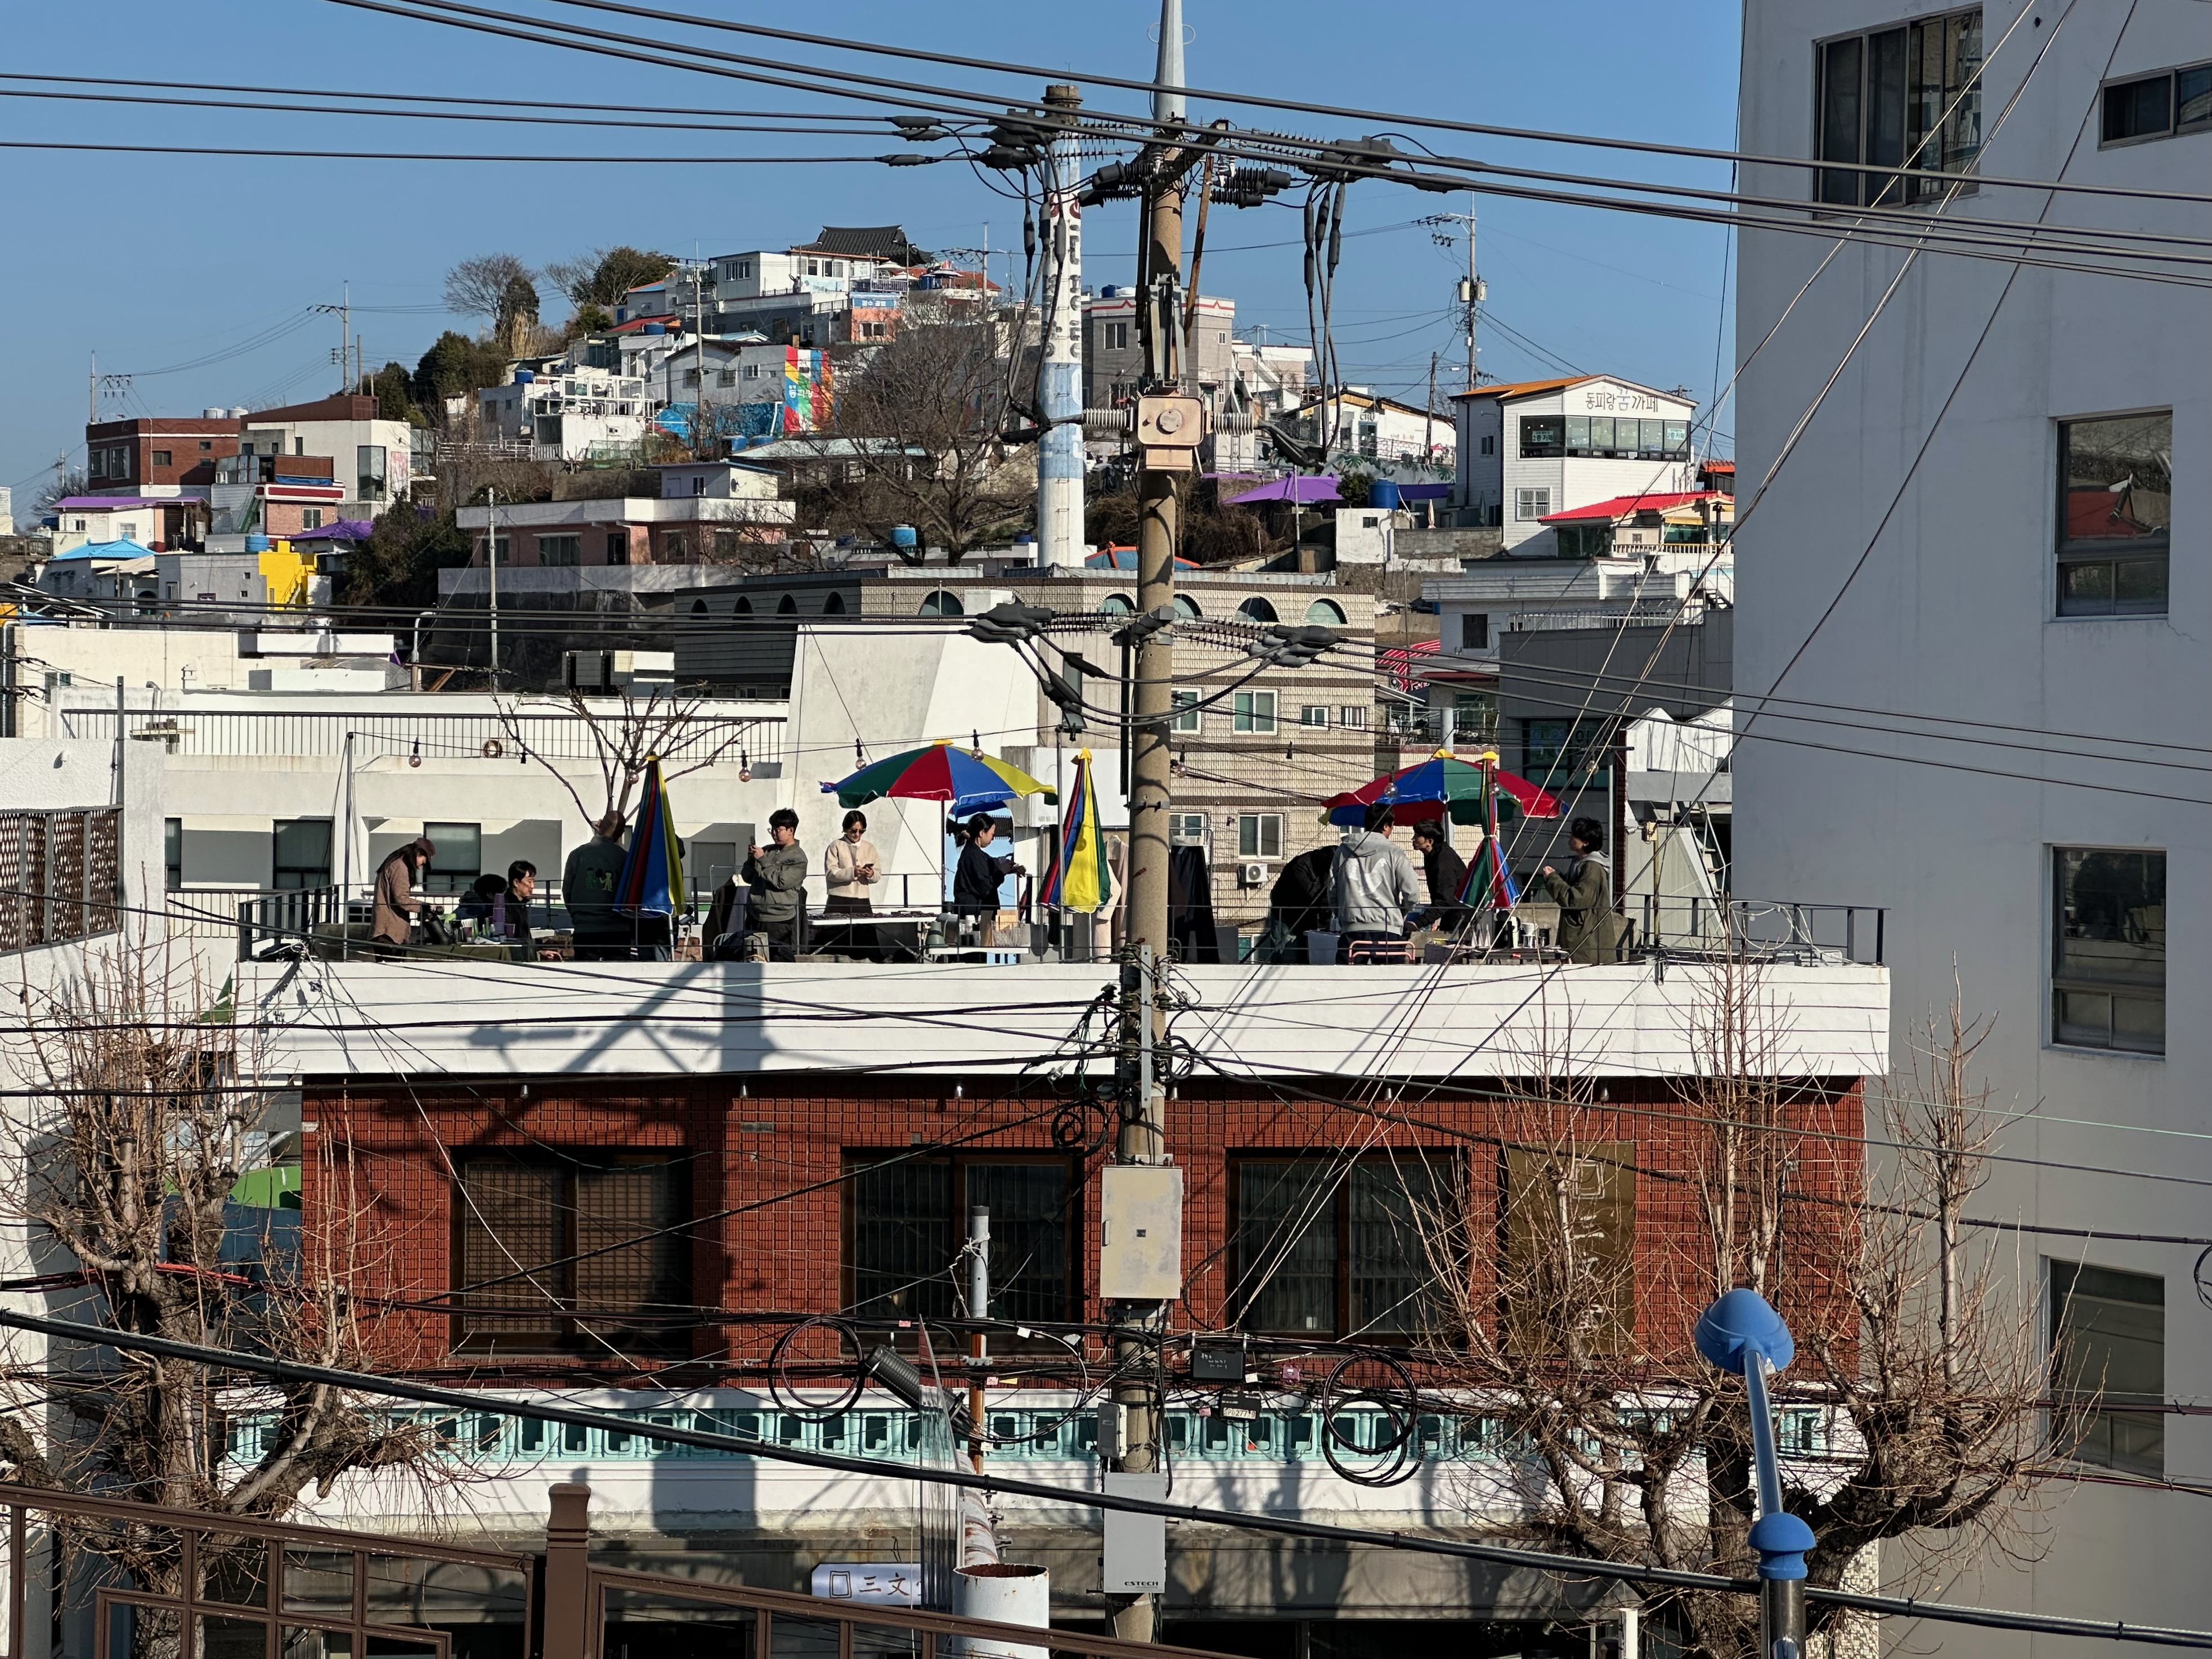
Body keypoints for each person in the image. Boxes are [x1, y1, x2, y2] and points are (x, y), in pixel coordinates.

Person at [1332, 804, 1421, 961]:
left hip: (1352, 929)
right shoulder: (1394, 853)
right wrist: (1402, 913)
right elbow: (1412, 892)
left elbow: (1333, 890)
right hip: (1387, 928)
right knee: (1390, 982)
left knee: (1346, 982)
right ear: (1387, 826)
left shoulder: (1343, 851)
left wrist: (1342, 914)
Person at [1540, 815, 1625, 964]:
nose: (1570, 839)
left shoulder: (1592, 868)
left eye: (1575, 836)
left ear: (1585, 842)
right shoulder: (1582, 864)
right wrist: (1558, 877)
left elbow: (1576, 900)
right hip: (1583, 942)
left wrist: (1553, 879)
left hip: (1587, 943)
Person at [563, 812, 632, 961]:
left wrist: (579, 918)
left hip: (585, 929)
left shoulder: (577, 855)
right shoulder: (625, 859)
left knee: (587, 979)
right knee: (620, 980)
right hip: (617, 931)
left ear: (599, 824)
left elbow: (567, 892)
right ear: (621, 833)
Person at [743, 808, 809, 960]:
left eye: (778, 829)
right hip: (754, 917)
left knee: (777, 961)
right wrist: (751, 860)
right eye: (772, 829)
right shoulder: (766, 851)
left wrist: (763, 860)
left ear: (791, 830)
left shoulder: (798, 858)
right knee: (751, 960)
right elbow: (747, 877)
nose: (774, 833)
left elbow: (782, 882)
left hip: (779, 920)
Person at [823, 809, 882, 958]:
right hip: (839, 900)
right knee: (835, 940)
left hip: (862, 900)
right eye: (853, 831)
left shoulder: (870, 848)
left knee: (865, 940)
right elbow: (831, 873)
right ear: (845, 829)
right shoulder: (835, 846)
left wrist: (871, 874)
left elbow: (878, 874)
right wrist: (852, 872)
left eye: (861, 831)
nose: (857, 835)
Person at [954, 812, 1016, 945]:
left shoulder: (974, 853)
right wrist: (1001, 872)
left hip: (975, 916)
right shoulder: (973, 855)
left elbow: (990, 862)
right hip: (974, 918)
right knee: (975, 955)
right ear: (982, 832)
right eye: (992, 834)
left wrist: (1009, 867)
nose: (993, 838)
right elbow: (986, 887)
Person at [370, 838, 434, 957]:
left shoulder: (395, 863)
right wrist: (424, 906)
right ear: (418, 854)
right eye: (423, 862)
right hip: (389, 933)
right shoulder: (400, 867)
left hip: (386, 931)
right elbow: (402, 900)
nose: (420, 867)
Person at [1409, 820, 1471, 934]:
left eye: (1418, 836)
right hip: (1453, 912)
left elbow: (1445, 899)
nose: (1413, 839)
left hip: (1460, 917)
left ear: (1429, 841)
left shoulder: (1443, 861)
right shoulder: (1433, 855)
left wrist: (1419, 922)